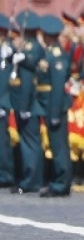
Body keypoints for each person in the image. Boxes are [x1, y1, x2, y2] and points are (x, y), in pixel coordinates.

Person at [37, 14, 73, 198]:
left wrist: (54, 113)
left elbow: (58, 87)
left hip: (55, 106)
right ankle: (59, 181)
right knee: (55, 145)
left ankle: (61, 184)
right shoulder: (50, 53)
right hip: (48, 104)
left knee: (59, 148)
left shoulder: (57, 55)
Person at [9, 10, 44, 194]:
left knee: (30, 142)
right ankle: (28, 178)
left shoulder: (32, 47)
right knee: (26, 141)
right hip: (24, 101)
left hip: (29, 102)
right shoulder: (26, 46)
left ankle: (31, 180)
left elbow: (29, 80)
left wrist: (25, 104)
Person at [0, 13, 15, 188]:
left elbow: (5, 82)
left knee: (3, 142)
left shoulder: (8, 52)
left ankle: (6, 174)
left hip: (4, 102)